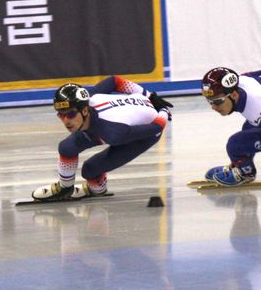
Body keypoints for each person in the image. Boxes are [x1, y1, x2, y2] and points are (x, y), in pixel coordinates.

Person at [31, 76, 173, 201]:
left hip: (145, 132)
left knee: (90, 169)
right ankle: (65, 188)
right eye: (61, 115)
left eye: (70, 115)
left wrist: (163, 111)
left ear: (85, 110)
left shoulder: (114, 133)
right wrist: (149, 95)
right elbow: (114, 81)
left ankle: (98, 188)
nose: (66, 121)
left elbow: (156, 127)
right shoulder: (89, 97)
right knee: (66, 147)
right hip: (121, 115)